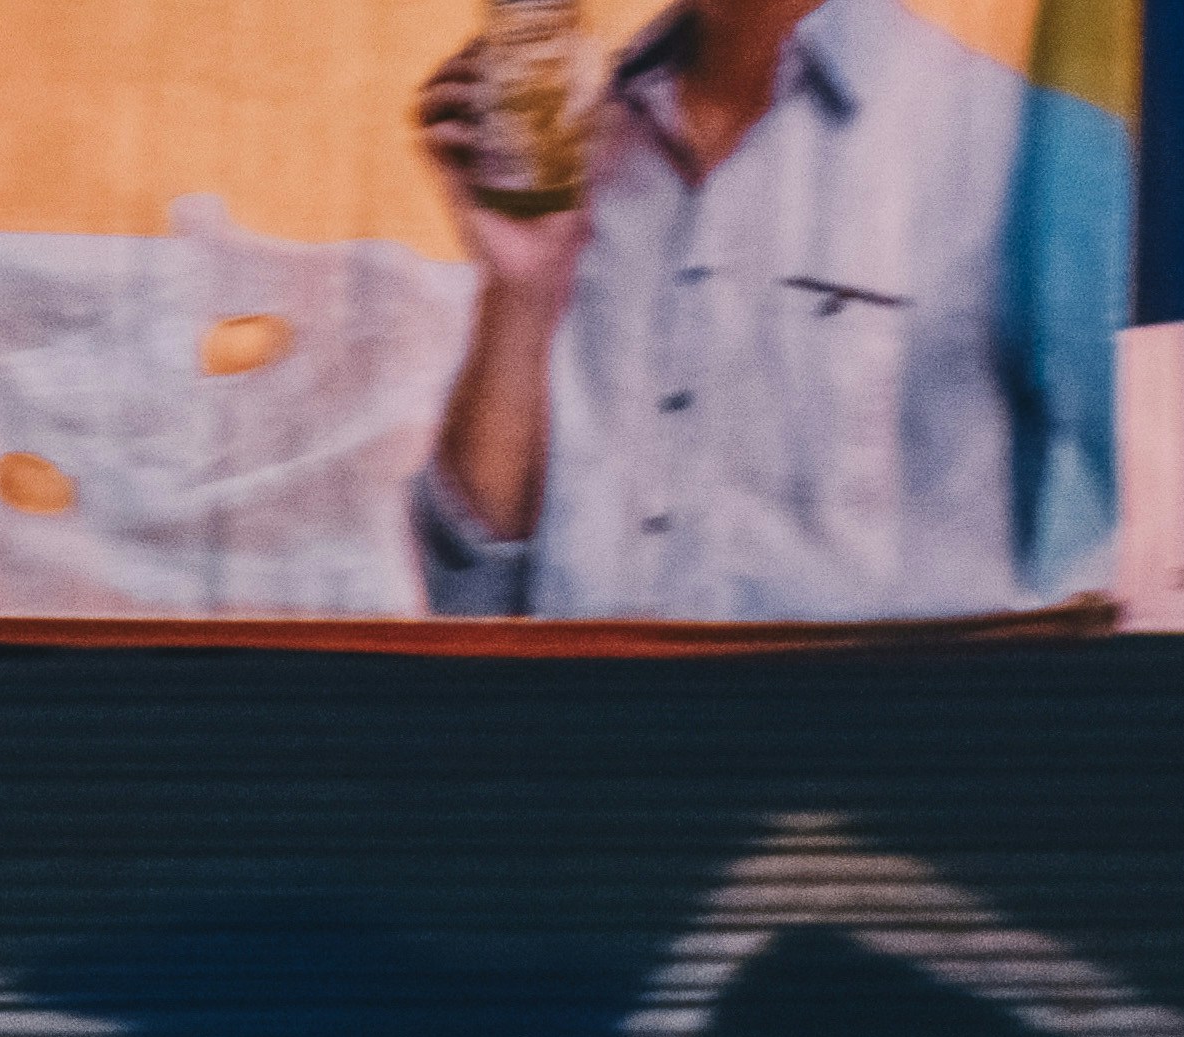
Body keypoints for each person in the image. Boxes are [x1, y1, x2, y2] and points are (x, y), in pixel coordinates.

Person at [409, 0, 1117, 628]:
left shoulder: (1026, 150)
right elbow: (475, 601)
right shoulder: (584, 141)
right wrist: (519, 292)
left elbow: (1144, 569)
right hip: (585, 732)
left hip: (883, 735)